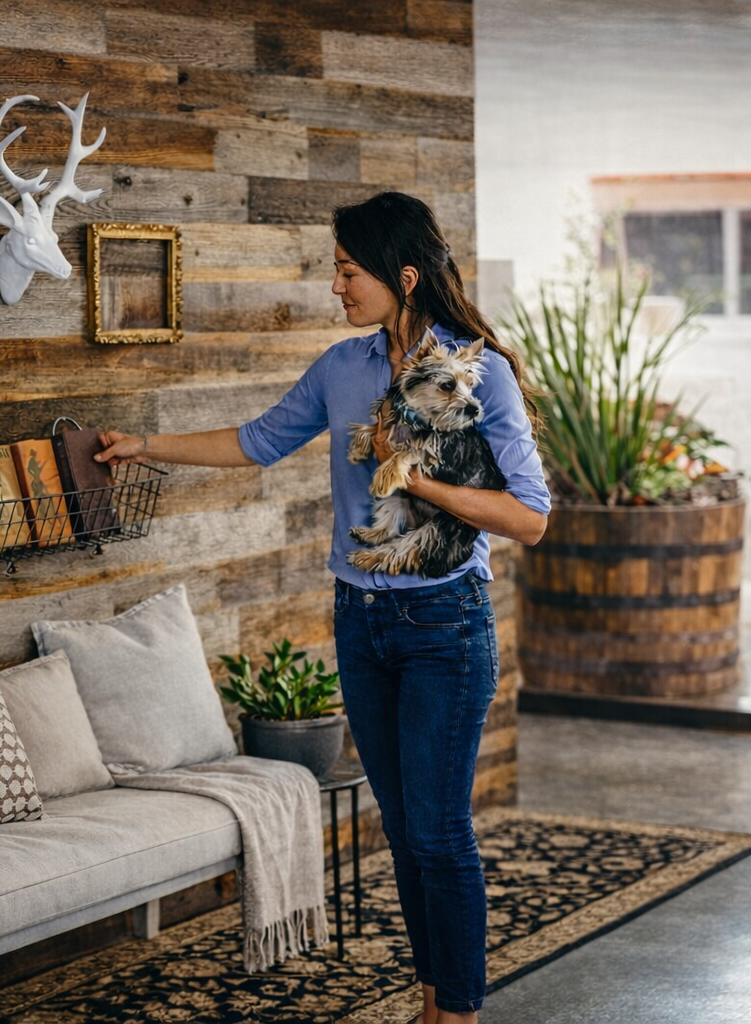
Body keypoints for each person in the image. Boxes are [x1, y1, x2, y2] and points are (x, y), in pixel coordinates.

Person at [95, 191, 550, 1024]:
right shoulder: (341, 369)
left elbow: (530, 516)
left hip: (446, 625)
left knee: (440, 832)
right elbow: (256, 440)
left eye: (348, 271)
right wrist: (144, 446)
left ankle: (459, 1013)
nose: (335, 287)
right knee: (407, 833)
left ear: (402, 277)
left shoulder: (476, 369)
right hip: (363, 620)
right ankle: (431, 1001)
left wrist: (419, 479)